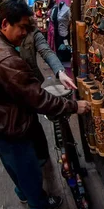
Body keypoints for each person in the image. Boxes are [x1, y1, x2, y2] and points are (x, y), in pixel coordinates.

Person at [0, 0, 91, 209]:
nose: (25, 33)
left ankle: (24, 192)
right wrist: (74, 107)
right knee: (27, 168)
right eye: (22, 28)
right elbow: (40, 99)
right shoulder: (6, 59)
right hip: (9, 124)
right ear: (5, 23)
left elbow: (45, 50)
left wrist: (59, 72)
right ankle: (39, 204)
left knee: (17, 166)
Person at [20, 23, 78, 165]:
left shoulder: (32, 32)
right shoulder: (2, 38)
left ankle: (43, 155)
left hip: (31, 83)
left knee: (33, 121)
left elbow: (46, 51)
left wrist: (60, 72)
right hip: (14, 87)